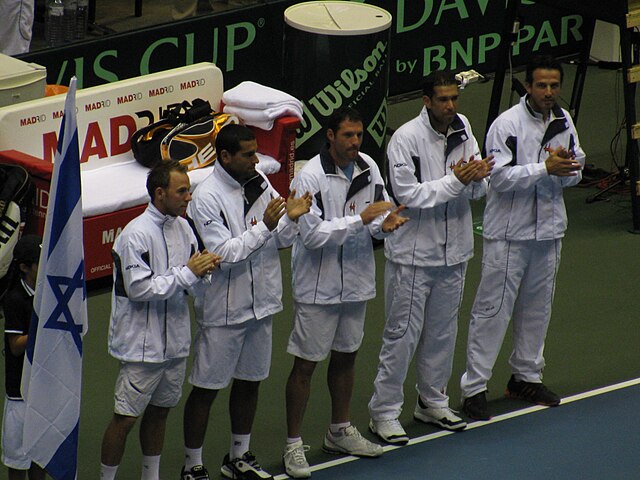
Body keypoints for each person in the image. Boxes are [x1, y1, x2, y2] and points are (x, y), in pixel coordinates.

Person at [368, 71, 494, 445]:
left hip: (454, 252)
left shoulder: (463, 127)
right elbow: (410, 195)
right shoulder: (404, 139)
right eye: (443, 99)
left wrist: (477, 179)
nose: (451, 106)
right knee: (401, 336)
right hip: (412, 257)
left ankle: (432, 401)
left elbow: (477, 189)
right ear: (426, 101)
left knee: (442, 334)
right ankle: (384, 412)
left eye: (454, 98)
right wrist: (458, 181)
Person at [282, 107, 408, 479]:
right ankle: (292, 445)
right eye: (348, 136)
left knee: (346, 358)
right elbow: (312, 235)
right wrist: (362, 220)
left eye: (360, 135)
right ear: (330, 136)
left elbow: (377, 222)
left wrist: (386, 226)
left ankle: (339, 430)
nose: (356, 142)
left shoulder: (369, 166)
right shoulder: (310, 177)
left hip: (355, 282)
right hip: (317, 288)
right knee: (305, 365)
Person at [181, 124, 312, 480]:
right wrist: (267, 226)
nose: (256, 160)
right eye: (248, 154)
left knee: (250, 381)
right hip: (224, 309)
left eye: (256, 152)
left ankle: (238, 456)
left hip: (262, 302)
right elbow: (224, 253)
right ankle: (192, 464)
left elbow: (281, 236)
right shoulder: (206, 196)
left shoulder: (258, 182)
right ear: (225, 157)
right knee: (207, 389)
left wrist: (292, 219)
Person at [460, 55, 585, 421]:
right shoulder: (507, 125)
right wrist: (545, 168)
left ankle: (526, 377)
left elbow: (575, 167)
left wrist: (566, 170)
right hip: (508, 236)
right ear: (528, 87)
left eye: (554, 86)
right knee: (492, 311)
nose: (549, 92)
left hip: (548, 232)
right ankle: (474, 387)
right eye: (542, 86)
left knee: (537, 309)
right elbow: (498, 178)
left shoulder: (564, 120)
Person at [99, 160, 220, 480]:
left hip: (175, 343)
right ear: (159, 193)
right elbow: (139, 289)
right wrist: (188, 273)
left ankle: (149, 476)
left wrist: (205, 272)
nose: (188, 197)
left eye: (189, 191)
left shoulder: (184, 228)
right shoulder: (134, 235)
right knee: (125, 419)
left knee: (160, 412)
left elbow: (190, 283)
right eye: (182, 191)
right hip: (141, 346)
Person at [2, 234, 46, 480]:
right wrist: (46, 330)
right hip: (19, 392)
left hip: (42, 388)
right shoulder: (14, 299)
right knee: (18, 460)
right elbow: (16, 345)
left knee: (40, 455)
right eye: (41, 262)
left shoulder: (48, 291)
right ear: (24, 267)